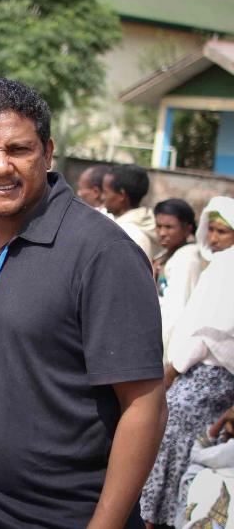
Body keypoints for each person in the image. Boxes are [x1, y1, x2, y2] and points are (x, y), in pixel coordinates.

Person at [0, 77, 167, 529]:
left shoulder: (102, 253)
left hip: (57, 517)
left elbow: (145, 406)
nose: (1, 167)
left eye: (19, 149)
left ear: (47, 151)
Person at [141, 196, 234, 529]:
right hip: (220, 384)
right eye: (213, 230)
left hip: (199, 378)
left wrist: (171, 370)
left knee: (167, 447)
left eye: (223, 231)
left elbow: (203, 329)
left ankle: (153, 519)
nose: (214, 239)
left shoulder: (224, 267)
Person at [152, 199, 204, 355]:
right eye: (159, 226)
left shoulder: (186, 260)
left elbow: (176, 314)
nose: (162, 233)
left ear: (187, 229)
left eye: (169, 227)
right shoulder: (166, 256)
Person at [103, 163, 161, 260]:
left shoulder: (128, 234)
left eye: (105, 192)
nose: (102, 197)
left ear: (121, 195)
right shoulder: (146, 223)